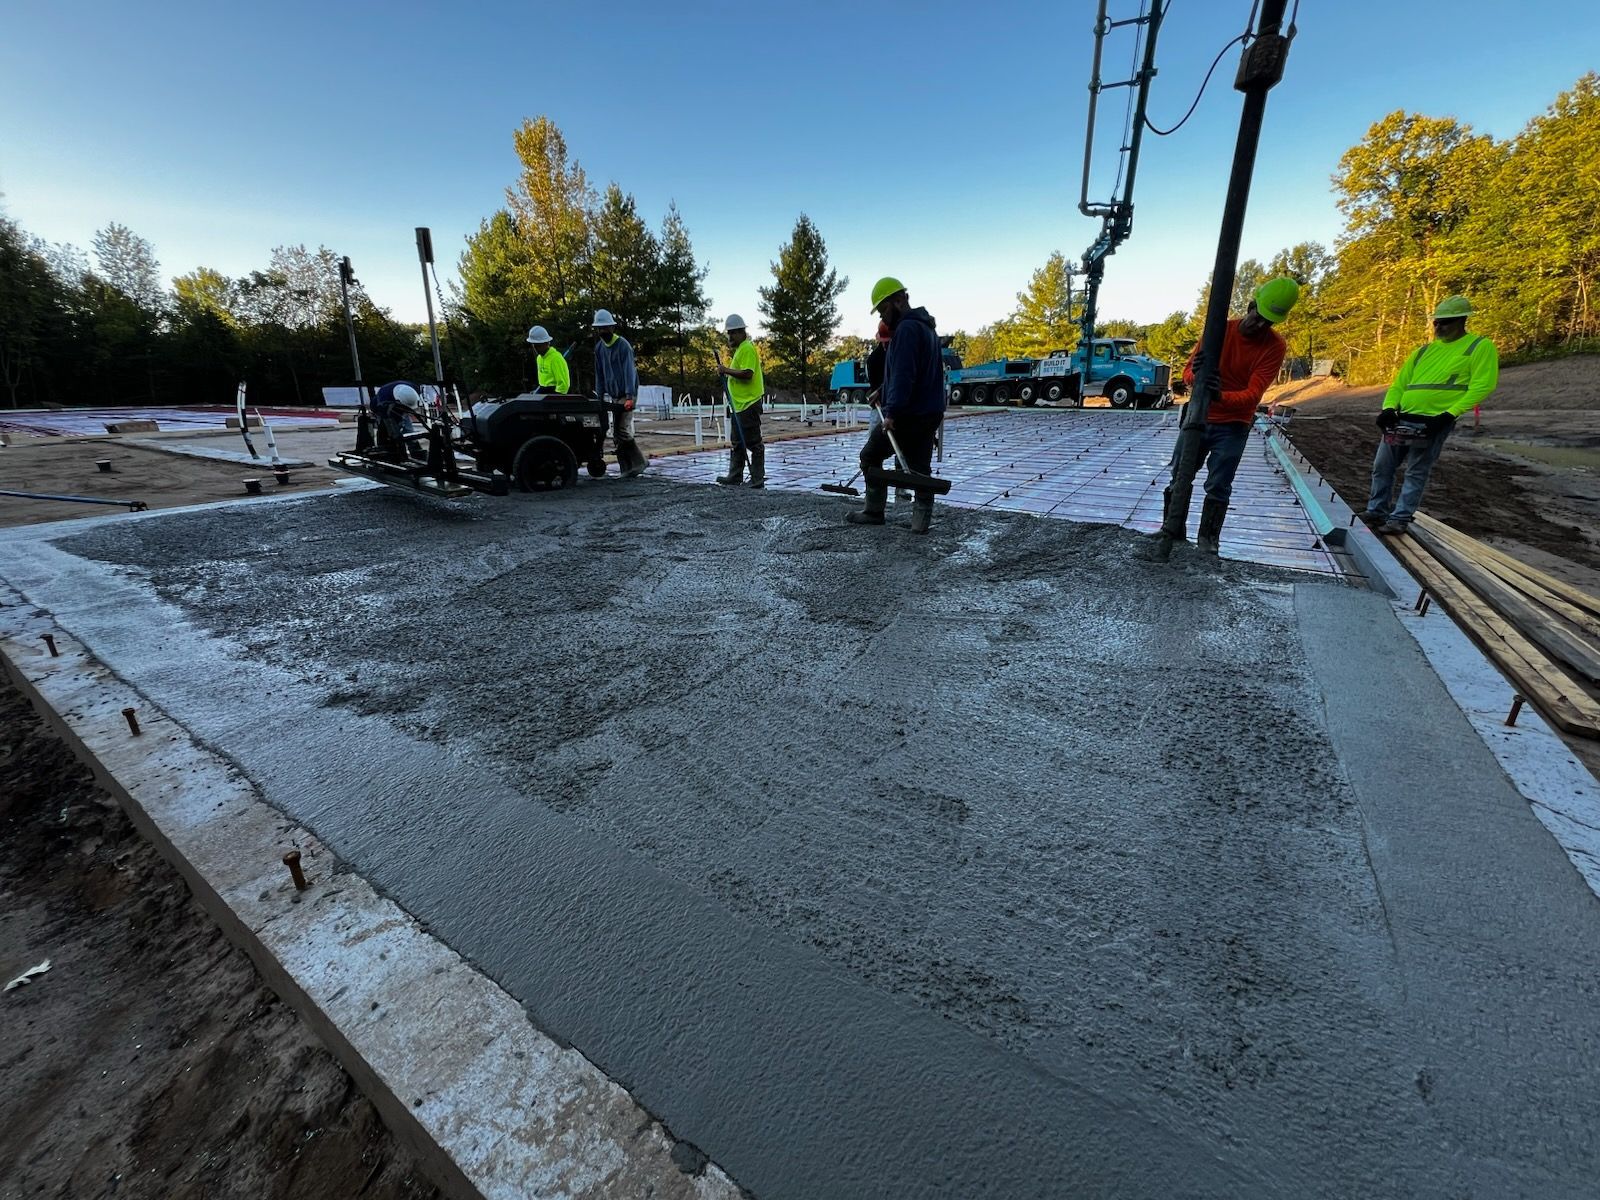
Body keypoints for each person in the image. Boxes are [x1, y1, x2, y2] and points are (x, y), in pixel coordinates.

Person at [1163, 276, 1300, 554]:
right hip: (1198, 416)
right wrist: (1197, 376)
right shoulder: (1219, 331)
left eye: (1267, 323)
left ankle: (1208, 542)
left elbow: (1253, 394)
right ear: (1250, 306)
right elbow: (1187, 373)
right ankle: (1172, 531)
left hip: (1233, 425)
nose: (1260, 326)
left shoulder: (1274, 347)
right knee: (1179, 475)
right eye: (1258, 317)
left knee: (1219, 484)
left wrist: (1219, 395)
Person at [1360, 295, 1499, 535]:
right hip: (1403, 418)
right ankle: (1376, 510)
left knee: (1416, 471)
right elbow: (1399, 384)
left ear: (1462, 320)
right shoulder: (1423, 351)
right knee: (1382, 466)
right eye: (1436, 322)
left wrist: (1449, 414)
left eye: (1445, 322)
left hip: (1433, 422)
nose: (1439, 327)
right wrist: (1389, 408)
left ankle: (1399, 518)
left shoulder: (1479, 347)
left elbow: (1482, 385)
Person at [848, 277, 947, 534]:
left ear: (899, 301)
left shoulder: (906, 330)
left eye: (884, 309)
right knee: (920, 469)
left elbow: (904, 376)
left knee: (870, 456)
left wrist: (892, 412)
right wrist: (882, 391)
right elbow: (915, 371)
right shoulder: (927, 328)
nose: (883, 316)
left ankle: (873, 511)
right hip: (929, 411)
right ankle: (920, 522)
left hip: (909, 414)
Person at [591, 309, 647, 477]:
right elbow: (599, 375)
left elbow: (629, 371)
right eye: (600, 329)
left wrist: (629, 396)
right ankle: (626, 468)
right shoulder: (599, 348)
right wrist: (599, 397)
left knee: (622, 430)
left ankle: (639, 462)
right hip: (614, 395)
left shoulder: (623, 346)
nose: (602, 331)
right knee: (616, 433)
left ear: (612, 328)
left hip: (627, 393)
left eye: (605, 328)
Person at [714, 313, 766, 487]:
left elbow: (748, 373)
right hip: (740, 405)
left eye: (731, 333)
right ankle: (735, 476)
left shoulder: (747, 349)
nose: (729, 337)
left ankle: (757, 478)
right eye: (728, 334)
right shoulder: (740, 350)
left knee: (753, 443)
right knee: (737, 443)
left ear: (740, 332)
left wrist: (726, 370)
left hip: (748, 404)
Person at [370, 380, 427, 460]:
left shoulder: (413, 388)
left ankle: (416, 451)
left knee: (409, 430)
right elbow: (387, 418)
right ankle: (395, 451)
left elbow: (411, 406)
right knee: (393, 432)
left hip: (397, 404)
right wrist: (396, 437)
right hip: (385, 410)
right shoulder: (383, 399)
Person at [526, 325, 570, 395]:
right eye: (534, 346)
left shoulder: (556, 358)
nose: (536, 349)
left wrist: (556, 398)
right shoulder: (539, 358)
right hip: (543, 393)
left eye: (539, 346)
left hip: (553, 395)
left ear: (547, 343)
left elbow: (564, 384)